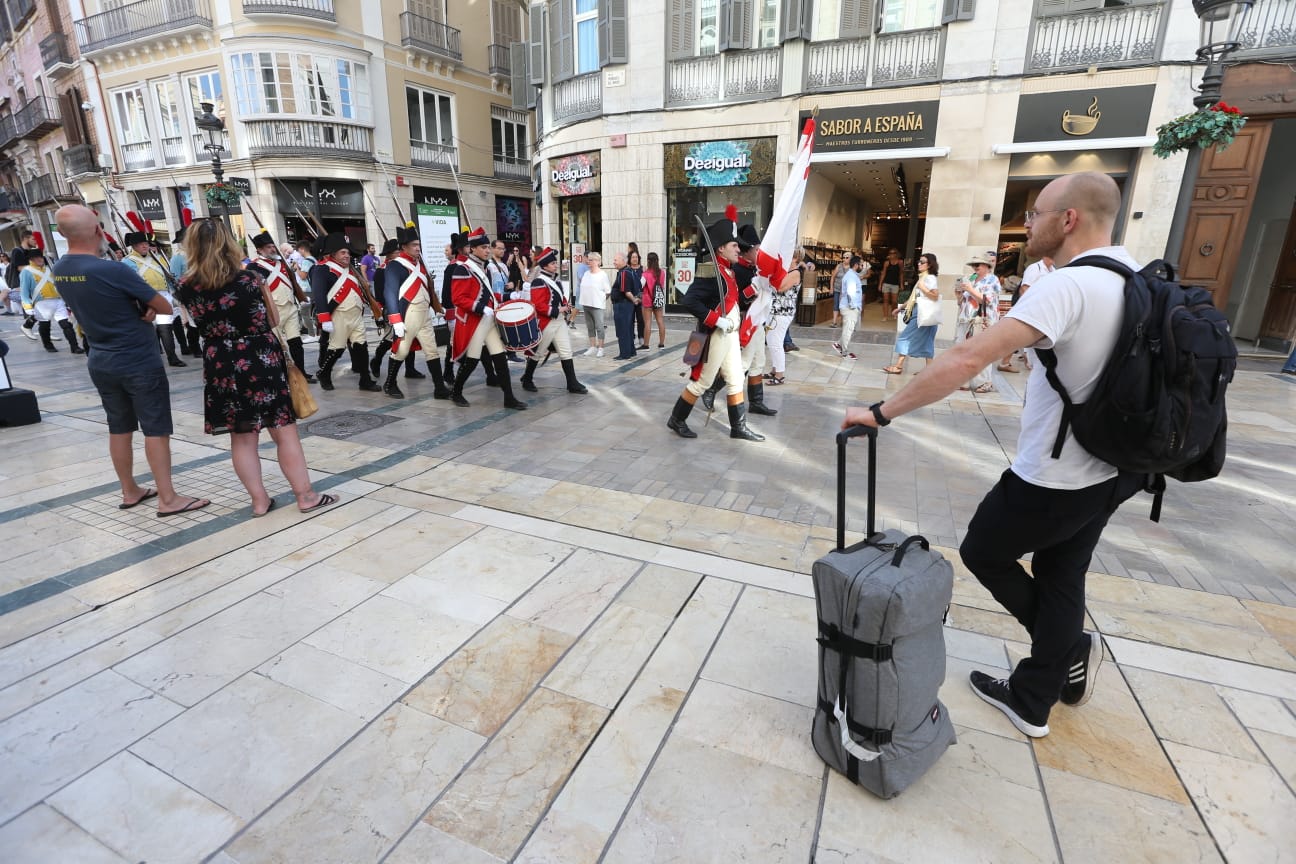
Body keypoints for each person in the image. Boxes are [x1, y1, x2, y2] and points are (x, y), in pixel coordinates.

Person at [843, 170, 1142, 739]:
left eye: (1036, 214)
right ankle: (1045, 684)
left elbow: (964, 361)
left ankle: (1060, 657)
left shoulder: (1068, 286)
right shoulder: (1134, 275)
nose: (1027, 225)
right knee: (1062, 573)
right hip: (1114, 467)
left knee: (985, 551)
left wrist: (882, 412)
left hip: (1055, 473)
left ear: (1069, 220)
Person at [51, 204, 211, 517]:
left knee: (119, 426)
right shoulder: (112, 269)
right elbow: (163, 306)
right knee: (155, 428)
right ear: (98, 231)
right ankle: (168, 498)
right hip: (136, 357)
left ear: (60, 234)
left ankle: (130, 489)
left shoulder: (60, 269)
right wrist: (147, 307)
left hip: (100, 357)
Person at [176, 219, 336, 516]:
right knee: (284, 431)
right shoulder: (251, 279)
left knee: (242, 436)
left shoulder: (186, 286)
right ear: (228, 243)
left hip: (220, 362)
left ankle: (259, 501)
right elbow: (274, 320)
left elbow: (192, 323)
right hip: (259, 356)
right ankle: (306, 496)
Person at [666, 205, 764, 442]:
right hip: (716, 335)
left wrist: (755, 288)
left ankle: (738, 427)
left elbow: (735, 301)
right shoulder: (711, 271)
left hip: (729, 334)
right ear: (721, 248)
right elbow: (689, 301)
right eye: (733, 245)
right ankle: (677, 419)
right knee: (703, 382)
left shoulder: (728, 272)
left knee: (735, 378)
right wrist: (716, 320)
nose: (738, 248)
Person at [697, 224, 780, 417]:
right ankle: (711, 389)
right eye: (757, 250)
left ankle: (756, 402)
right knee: (742, 363)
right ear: (748, 251)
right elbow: (737, 300)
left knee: (759, 361)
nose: (760, 253)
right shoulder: (738, 270)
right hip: (743, 320)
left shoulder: (755, 269)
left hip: (757, 320)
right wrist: (753, 290)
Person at [448, 227, 526, 410]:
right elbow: (458, 299)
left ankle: (509, 398)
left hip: (488, 320)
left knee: (499, 358)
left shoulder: (482, 267)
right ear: (472, 249)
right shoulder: (463, 269)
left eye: (487, 247)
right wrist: (481, 308)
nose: (487, 250)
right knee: (472, 360)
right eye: (483, 247)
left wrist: (508, 297)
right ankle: (456, 392)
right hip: (475, 321)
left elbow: (488, 295)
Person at [380, 226, 451, 400]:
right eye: (414, 245)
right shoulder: (395, 266)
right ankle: (390, 384)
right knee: (401, 351)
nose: (418, 248)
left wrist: (437, 307)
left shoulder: (420, 264)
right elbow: (389, 293)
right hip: (408, 315)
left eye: (418, 244)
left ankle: (440, 388)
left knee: (432, 351)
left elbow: (428, 288)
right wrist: (396, 321)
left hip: (424, 315)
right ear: (404, 247)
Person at [311, 232, 382, 392]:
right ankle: (324, 373)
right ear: (333, 254)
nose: (347, 256)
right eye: (343, 252)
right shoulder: (322, 269)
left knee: (361, 346)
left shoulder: (351, 271)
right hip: (338, 315)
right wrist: (324, 318)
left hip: (356, 315)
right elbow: (319, 295)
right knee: (336, 349)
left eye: (348, 253)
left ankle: (365, 379)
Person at [247, 231, 314, 382]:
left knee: (296, 343)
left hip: (290, 308)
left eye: (273, 246)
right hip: (272, 311)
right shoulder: (253, 267)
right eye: (268, 247)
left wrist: (301, 297)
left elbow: (292, 283)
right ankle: (281, 374)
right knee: (277, 346)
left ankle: (301, 373)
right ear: (259, 250)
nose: (272, 249)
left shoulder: (281, 262)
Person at [518, 246, 587, 395]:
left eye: (555, 263)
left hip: (559, 321)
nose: (556, 265)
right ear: (545, 266)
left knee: (566, 350)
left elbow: (559, 297)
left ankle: (572, 383)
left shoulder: (554, 279)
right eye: (553, 263)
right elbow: (538, 305)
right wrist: (558, 310)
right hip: (546, 322)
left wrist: (565, 305)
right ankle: (527, 378)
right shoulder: (538, 282)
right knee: (538, 353)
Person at [123, 231, 186, 368]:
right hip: (145, 298)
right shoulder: (127, 262)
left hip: (164, 296)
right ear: (134, 246)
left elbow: (167, 276)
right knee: (150, 331)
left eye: (145, 243)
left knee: (166, 328)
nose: (145, 246)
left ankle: (172, 357)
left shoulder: (158, 258)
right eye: (141, 244)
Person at [883, 253, 940, 375]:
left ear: (929, 265)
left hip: (922, 313)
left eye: (922, 262)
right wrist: (901, 308)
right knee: (927, 341)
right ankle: (929, 371)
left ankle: (898, 366)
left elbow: (935, 296)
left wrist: (923, 288)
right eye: (919, 261)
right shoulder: (923, 277)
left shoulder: (929, 278)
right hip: (923, 313)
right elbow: (915, 297)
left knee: (905, 337)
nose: (919, 263)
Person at [20, 248, 84, 354]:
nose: (39, 259)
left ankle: (75, 346)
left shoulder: (50, 267)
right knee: (45, 325)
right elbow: (24, 291)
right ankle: (48, 345)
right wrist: (27, 306)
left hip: (57, 300)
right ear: (31, 259)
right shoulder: (26, 272)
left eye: (40, 257)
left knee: (66, 324)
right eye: (36, 257)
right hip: (41, 303)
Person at [957, 253, 1001, 394]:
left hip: (983, 321)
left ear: (987, 266)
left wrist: (970, 289)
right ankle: (964, 380)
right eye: (973, 265)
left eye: (978, 265)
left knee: (982, 351)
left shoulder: (992, 280)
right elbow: (963, 301)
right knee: (964, 350)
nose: (975, 268)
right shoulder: (972, 279)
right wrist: (959, 295)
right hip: (967, 319)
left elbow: (986, 300)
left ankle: (984, 382)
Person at [1002, 255, 1054, 372]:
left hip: (1043, 311)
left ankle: (1008, 362)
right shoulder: (1035, 268)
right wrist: (1031, 309)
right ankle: (1023, 361)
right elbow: (1024, 289)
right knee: (1023, 338)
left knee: (1020, 338)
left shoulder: (1053, 271)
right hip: (1032, 311)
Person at [764, 248, 804, 385]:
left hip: (782, 312)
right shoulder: (787, 271)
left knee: (775, 343)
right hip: (776, 311)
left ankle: (779, 374)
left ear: (795, 258)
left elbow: (780, 287)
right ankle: (775, 370)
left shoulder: (795, 273)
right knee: (773, 341)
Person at [578, 252, 610, 357]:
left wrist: (601, 300)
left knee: (599, 327)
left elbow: (608, 291)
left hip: (597, 305)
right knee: (590, 326)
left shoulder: (602, 275)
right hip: (586, 304)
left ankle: (601, 348)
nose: (588, 261)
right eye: (588, 259)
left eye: (591, 260)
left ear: (597, 262)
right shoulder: (586, 273)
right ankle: (592, 347)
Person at [611, 250, 641, 360]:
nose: (614, 262)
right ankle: (631, 351)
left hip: (622, 305)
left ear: (623, 261)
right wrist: (636, 299)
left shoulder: (624, 273)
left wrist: (634, 300)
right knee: (628, 329)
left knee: (622, 329)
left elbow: (626, 291)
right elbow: (638, 287)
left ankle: (624, 354)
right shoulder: (631, 271)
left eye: (615, 260)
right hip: (627, 306)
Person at [833, 255, 864, 359]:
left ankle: (838, 344)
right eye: (861, 264)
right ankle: (844, 352)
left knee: (848, 328)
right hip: (850, 307)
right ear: (856, 265)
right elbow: (851, 292)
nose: (862, 266)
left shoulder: (852, 275)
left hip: (849, 306)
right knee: (848, 330)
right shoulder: (851, 276)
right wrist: (854, 307)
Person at [643, 251, 667, 349]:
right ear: (657, 261)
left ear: (648, 261)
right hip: (658, 299)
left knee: (648, 322)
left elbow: (640, 286)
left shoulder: (645, 274)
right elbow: (663, 286)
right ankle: (661, 344)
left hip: (648, 299)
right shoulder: (662, 272)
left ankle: (646, 345)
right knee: (660, 321)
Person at [879, 248, 903, 319]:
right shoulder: (887, 262)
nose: (892, 254)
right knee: (885, 300)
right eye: (890, 253)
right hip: (886, 283)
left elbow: (901, 273)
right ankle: (885, 316)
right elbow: (883, 273)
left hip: (895, 284)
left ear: (896, 254)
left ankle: (893, 312)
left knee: (894, 301)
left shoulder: (900, 262)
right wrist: (880, 284)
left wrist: (901, 284)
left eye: (893, 253)